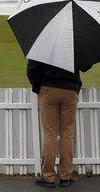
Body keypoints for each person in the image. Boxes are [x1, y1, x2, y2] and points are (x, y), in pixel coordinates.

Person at [27, 59, 90, 188]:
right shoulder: (74, 42)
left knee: (50, 133)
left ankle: (48, 176)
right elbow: (86, 64)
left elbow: (31, 70)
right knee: (68, 133)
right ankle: (65, 176)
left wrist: (38, 86)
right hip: (70, 89)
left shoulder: (43, 42)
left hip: (49, 88)